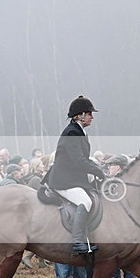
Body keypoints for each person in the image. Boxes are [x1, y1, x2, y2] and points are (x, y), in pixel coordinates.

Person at [44, 95, 106, 256]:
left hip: (74, 179)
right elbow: (79, 161)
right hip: (63, 180)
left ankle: (88, 238)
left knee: (93, 198)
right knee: (84, 201)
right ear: (79, 115)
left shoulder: (80, 131)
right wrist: (98, 171)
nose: (92, 117)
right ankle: (78, 241)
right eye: (89, 113)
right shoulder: (72, 132)